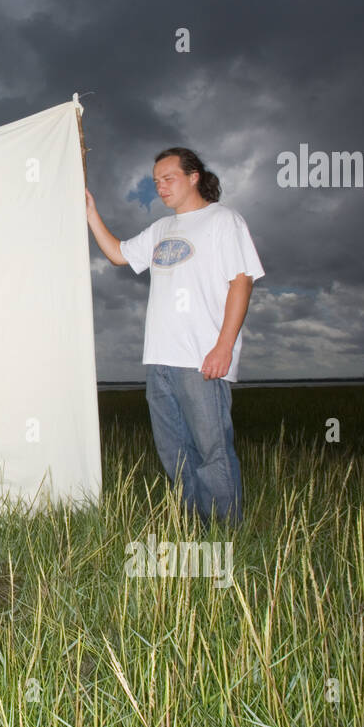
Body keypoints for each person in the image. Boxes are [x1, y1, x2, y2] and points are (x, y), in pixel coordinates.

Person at [86, 147, 263, 526]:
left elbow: (241, 281)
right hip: (160, 361)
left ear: (193, 176)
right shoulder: (161, 229)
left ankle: (227, 533)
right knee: (174, 452)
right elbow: (118, 255)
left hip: (202, 359)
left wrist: (223, 346)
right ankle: (194, 526)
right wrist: (91, 213)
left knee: (212, 450)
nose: (161, 188)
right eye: (156, 183)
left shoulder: (223, 220)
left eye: (168, 179)